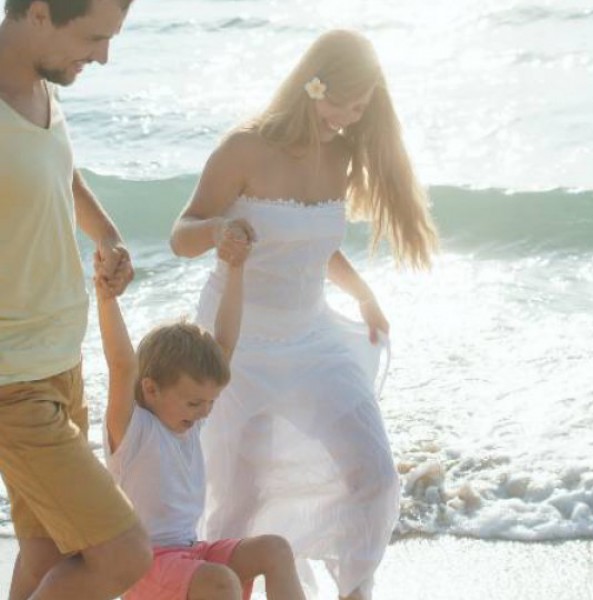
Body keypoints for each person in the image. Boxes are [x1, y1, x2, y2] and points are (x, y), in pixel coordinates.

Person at [169, 29, 439, 599]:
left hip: (312, 337)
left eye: (358, 108)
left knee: (374, 473)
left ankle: (354, 591)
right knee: (237, 498)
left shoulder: (342, 155)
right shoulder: (244, 148)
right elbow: (180, 234)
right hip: (237, 340)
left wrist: (362, 292)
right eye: (335, 103)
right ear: (309, 86)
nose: (343, 118)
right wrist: (220, 232)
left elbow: (310, 241)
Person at [0, 1, 152, 598]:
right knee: (122, 554)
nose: (103, 55)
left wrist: (108, 235)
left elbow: (62, 175)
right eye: (93, 37)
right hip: (14, 382)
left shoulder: (39, 86)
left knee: (48, 551)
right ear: (39, 12)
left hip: (62, 361)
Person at [96, 222, 307, 600]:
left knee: (274, 549)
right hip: (144, 565)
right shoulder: (132, 429)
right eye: (196, 403)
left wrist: (236, 269)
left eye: (210, 402)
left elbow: (224, 342)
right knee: (220, 581)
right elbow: (120, 365)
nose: (205, 412)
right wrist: (107, 299)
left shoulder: (186, 417)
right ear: (151, 389)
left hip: (189, 552)